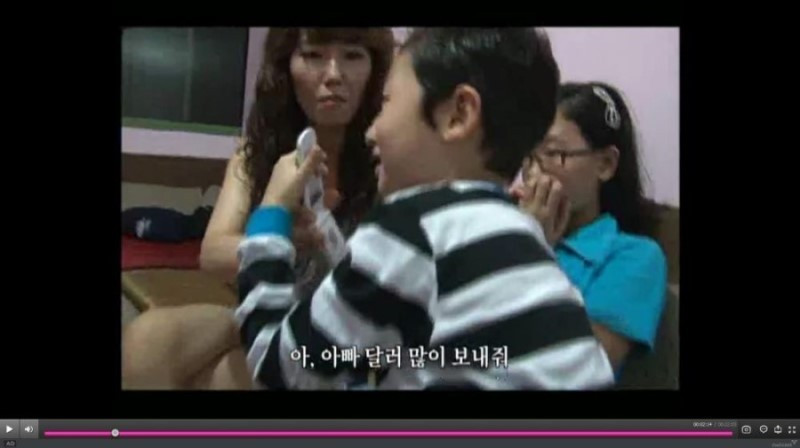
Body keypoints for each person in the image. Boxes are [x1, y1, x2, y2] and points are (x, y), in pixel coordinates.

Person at [123, 28, 615, 390]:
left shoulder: (411, 219)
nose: (333, 76)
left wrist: (272, 212)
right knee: (150, 338)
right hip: (336, 325)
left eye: (386, 102)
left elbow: (282, 365)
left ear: (459, 115)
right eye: (314, 55)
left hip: (331, 334)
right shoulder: (511, 230)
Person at [200, 28, 394, 297]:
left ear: (374, 70)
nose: (334, 75)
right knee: (157, 324)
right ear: (285, 67)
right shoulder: (256, 152)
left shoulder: (392, 153)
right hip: (272, 306)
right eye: (313, 55)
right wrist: (282, 236)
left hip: (359, 314)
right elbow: (212, 255)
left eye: (352, 56)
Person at [510, 82, 668, 373]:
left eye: (553, 153)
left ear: (605, 164)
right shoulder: (503, 225)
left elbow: (579, 367)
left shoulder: (635, 257)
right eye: (528, 155)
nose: (533, 172)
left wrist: (532, 249)